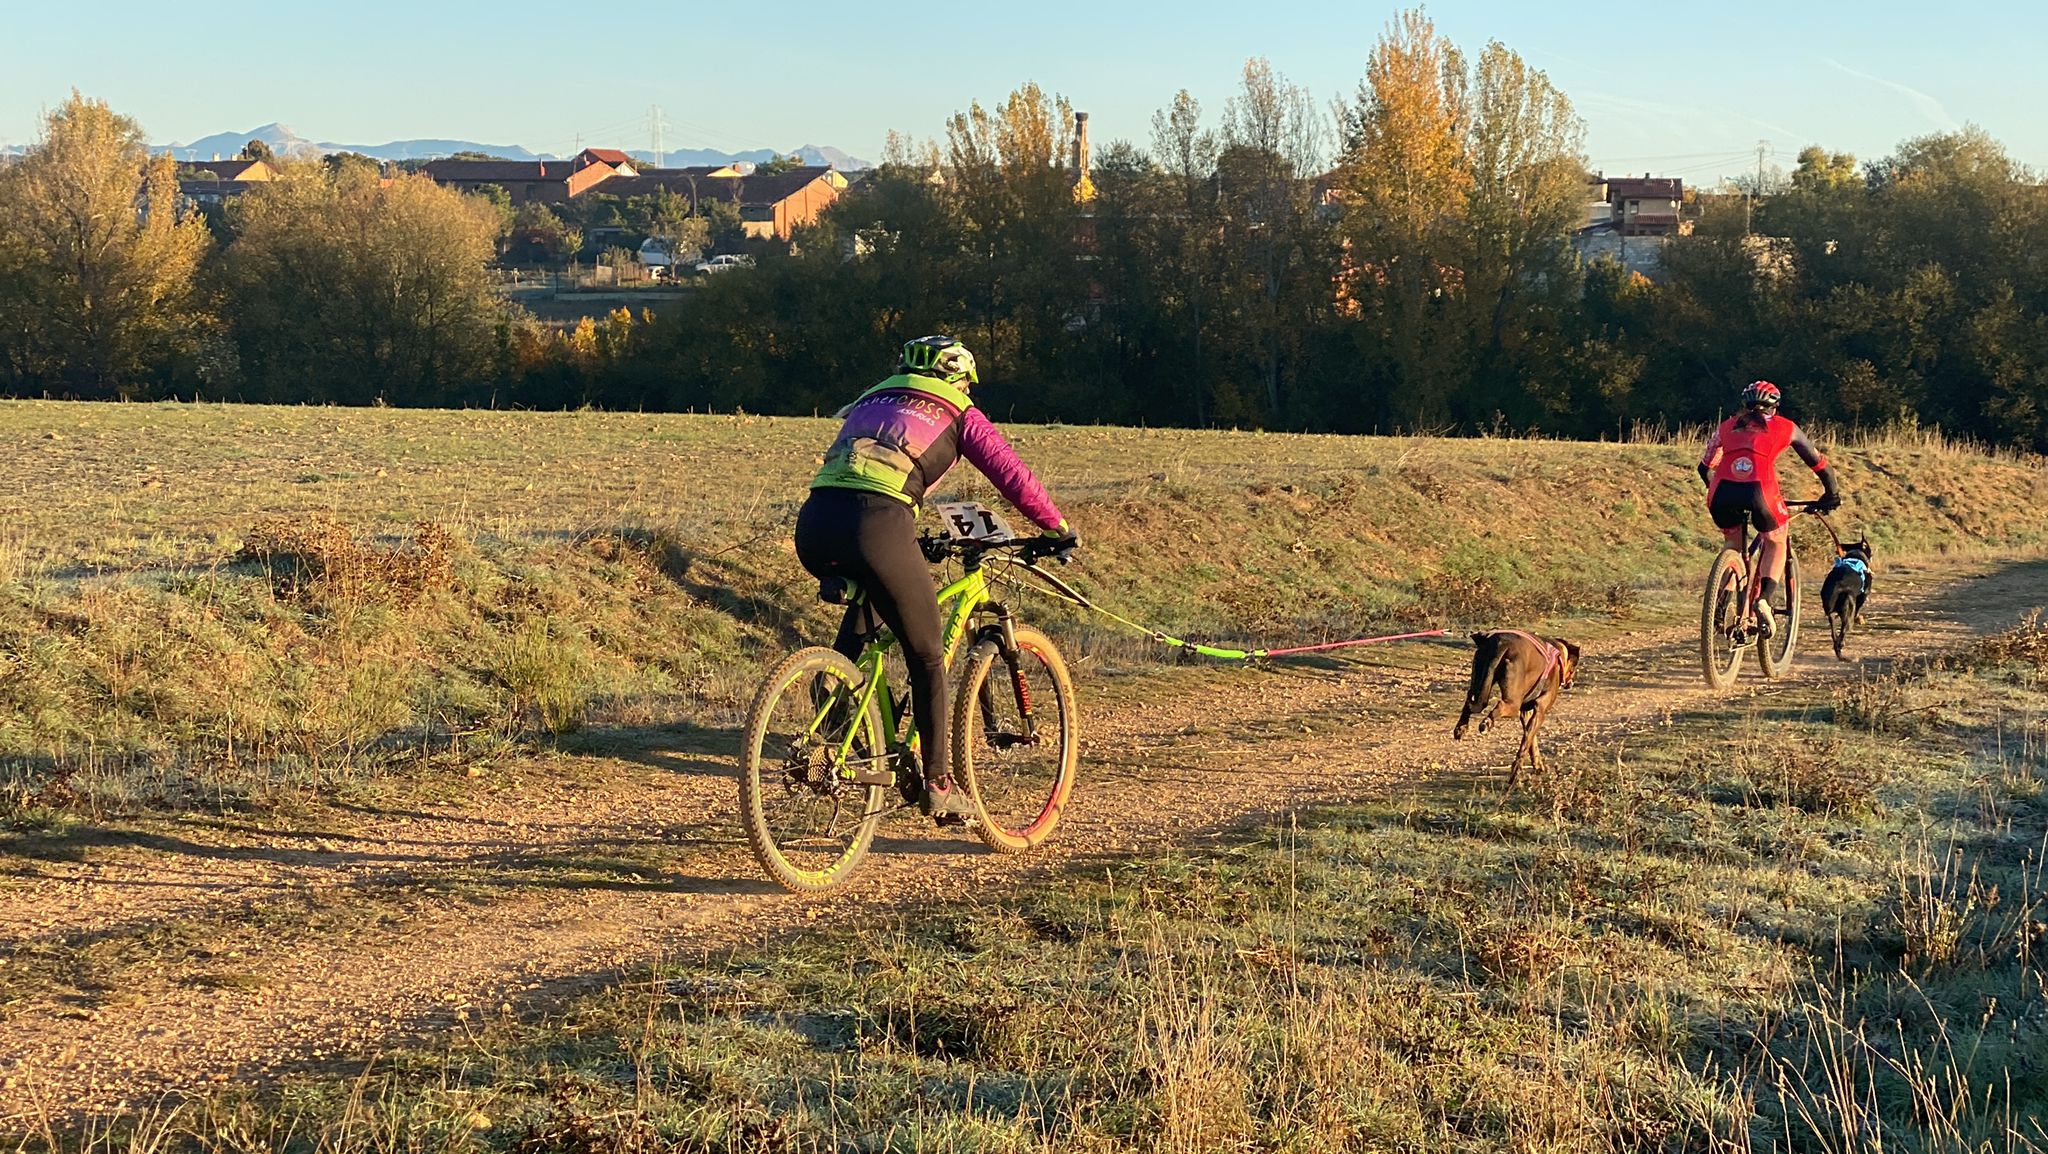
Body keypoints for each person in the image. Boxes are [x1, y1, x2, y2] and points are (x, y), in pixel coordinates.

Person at [795, 336, 1076, 821]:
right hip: (877, 524)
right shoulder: (959, 410)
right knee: (927, 656)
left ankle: (835, 696)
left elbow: (867, 464)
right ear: (958, 378)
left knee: (871, 608)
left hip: (816, 523)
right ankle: (939, 785)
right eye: (967, 382)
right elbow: (1011, 475)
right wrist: (1056, 527)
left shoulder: (871, 397)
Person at [1697, 380, 1842, 638]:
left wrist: (1716, 489)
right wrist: (1831, 494)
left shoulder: (1727, 426)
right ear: (1775, 407)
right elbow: (1819, 464)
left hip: (1721, 492)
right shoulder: (1787, 427)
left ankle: (1720, 604)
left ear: (1746, 405)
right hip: (1760, 492)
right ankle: (1763, 599)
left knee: (1733, 545)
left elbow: (1704, 467)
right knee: (1776, 540)